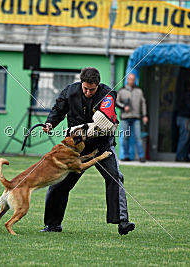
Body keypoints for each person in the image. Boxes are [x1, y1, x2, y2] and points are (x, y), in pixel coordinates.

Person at [40, 67, 135, 235]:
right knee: (59, 184)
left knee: (115, 177)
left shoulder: (107, 94)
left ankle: (122, 221)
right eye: (85, 89)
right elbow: (58, 109)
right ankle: (52, 225)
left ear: (97, 85)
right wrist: (50, 123)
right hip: (76, 149)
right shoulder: (70, 92)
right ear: (81, 83)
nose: (88, 92)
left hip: (102, 145)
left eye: (92, 89)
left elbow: (105, 119)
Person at [116, 73, 148, 162]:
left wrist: (145, 115)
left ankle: (141, 156)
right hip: (125, 118)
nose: (132, 81)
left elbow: (143, 103)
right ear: (127, 80)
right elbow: (116, 101)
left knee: (138, 137)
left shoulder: (139, 91)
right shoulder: (121, 91)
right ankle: (125, 156)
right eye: (130, 79)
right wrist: (123, 107)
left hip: (136, 117)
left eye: (133, 79)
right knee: (125, 137)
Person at [174, 80, 190, 162]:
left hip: (181, 117)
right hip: (185, 118)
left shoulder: (183, 94)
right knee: (184, 138)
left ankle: (184, 156)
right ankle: (180, 156)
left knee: (185, 137)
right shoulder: (188, 95)